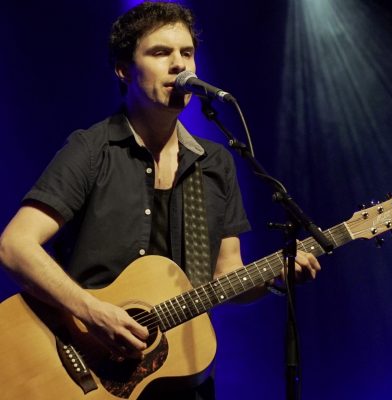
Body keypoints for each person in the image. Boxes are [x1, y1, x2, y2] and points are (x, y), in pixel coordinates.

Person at [0, 2, 320, 399]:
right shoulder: (92, 149)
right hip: (81, 364)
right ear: (123, 68)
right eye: (160, 52)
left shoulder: (215, 162)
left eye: (186, 53)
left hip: (181, 375)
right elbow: (15, 245)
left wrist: (276, 278)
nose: (179, 65)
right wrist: (94, 312)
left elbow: (226, 276)